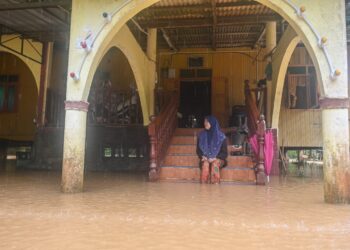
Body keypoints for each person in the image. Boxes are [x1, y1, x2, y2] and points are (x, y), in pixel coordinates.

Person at [197, 115, 228, 184]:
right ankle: (203, 187)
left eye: (207, 122)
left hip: (218, 159)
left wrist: (215, 158)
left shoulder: (221, 137)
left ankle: (215, 186)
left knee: (215, 165)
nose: (205, 123)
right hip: (205, 158)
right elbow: (198, 150)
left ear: (212, 123)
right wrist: (202, 156)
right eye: (205, 122)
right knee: (205, 164)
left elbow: (224, 153)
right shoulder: (201, 136)